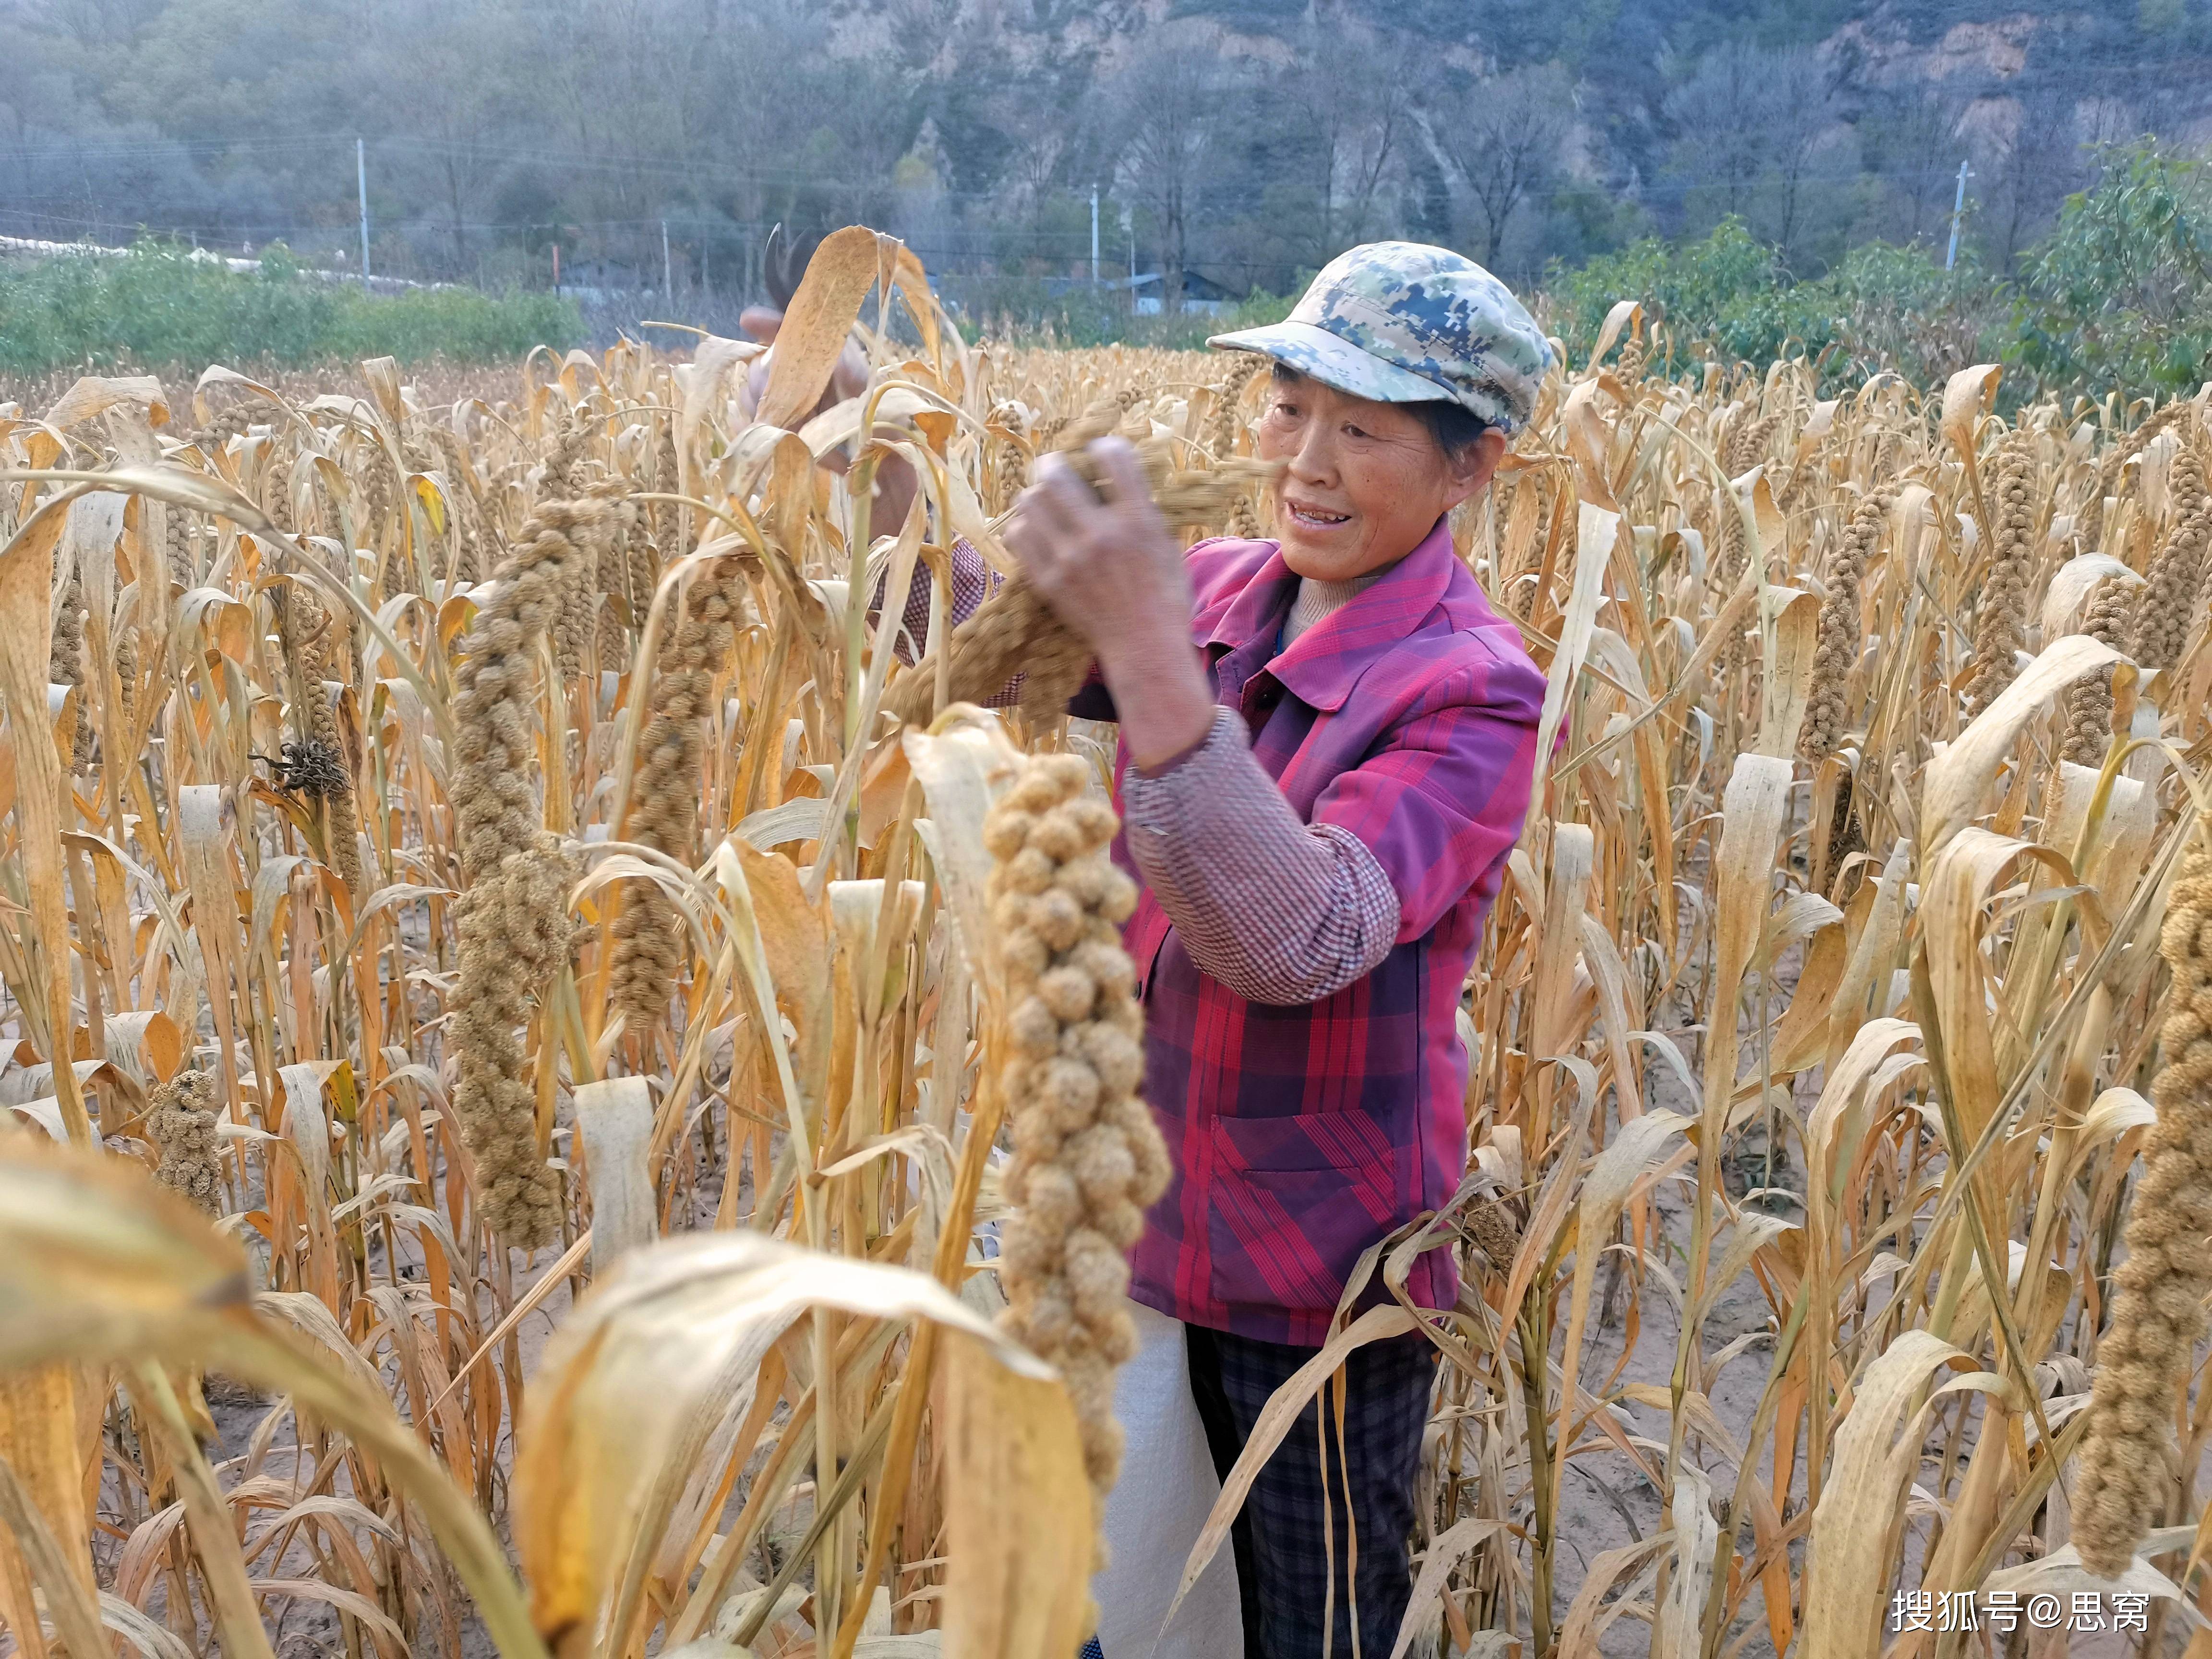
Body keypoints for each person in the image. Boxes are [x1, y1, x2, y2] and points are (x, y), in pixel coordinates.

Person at [994, 243, 1552, 1659]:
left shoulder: (1471, 687)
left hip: (1320, 1283)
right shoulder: (1234, 590)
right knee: (1129, 1605)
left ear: (1469, 465)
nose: (1304, 457)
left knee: (1313, 1629)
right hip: (1142, 1225)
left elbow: (1296, 936)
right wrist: (854, 446)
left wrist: (1152, 660)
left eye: (1362, 428)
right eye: (1288, 402)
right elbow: (993, 648)